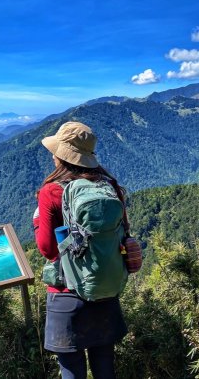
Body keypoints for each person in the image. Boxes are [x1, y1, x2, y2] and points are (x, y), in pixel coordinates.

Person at [33, 121, 128, 379]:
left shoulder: (51, 191)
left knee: (72, 370)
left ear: (62, 156)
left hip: (66, 294)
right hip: (104, 289)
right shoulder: (109, 187)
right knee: (104, 365)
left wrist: (37, 223)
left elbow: (48, 250)